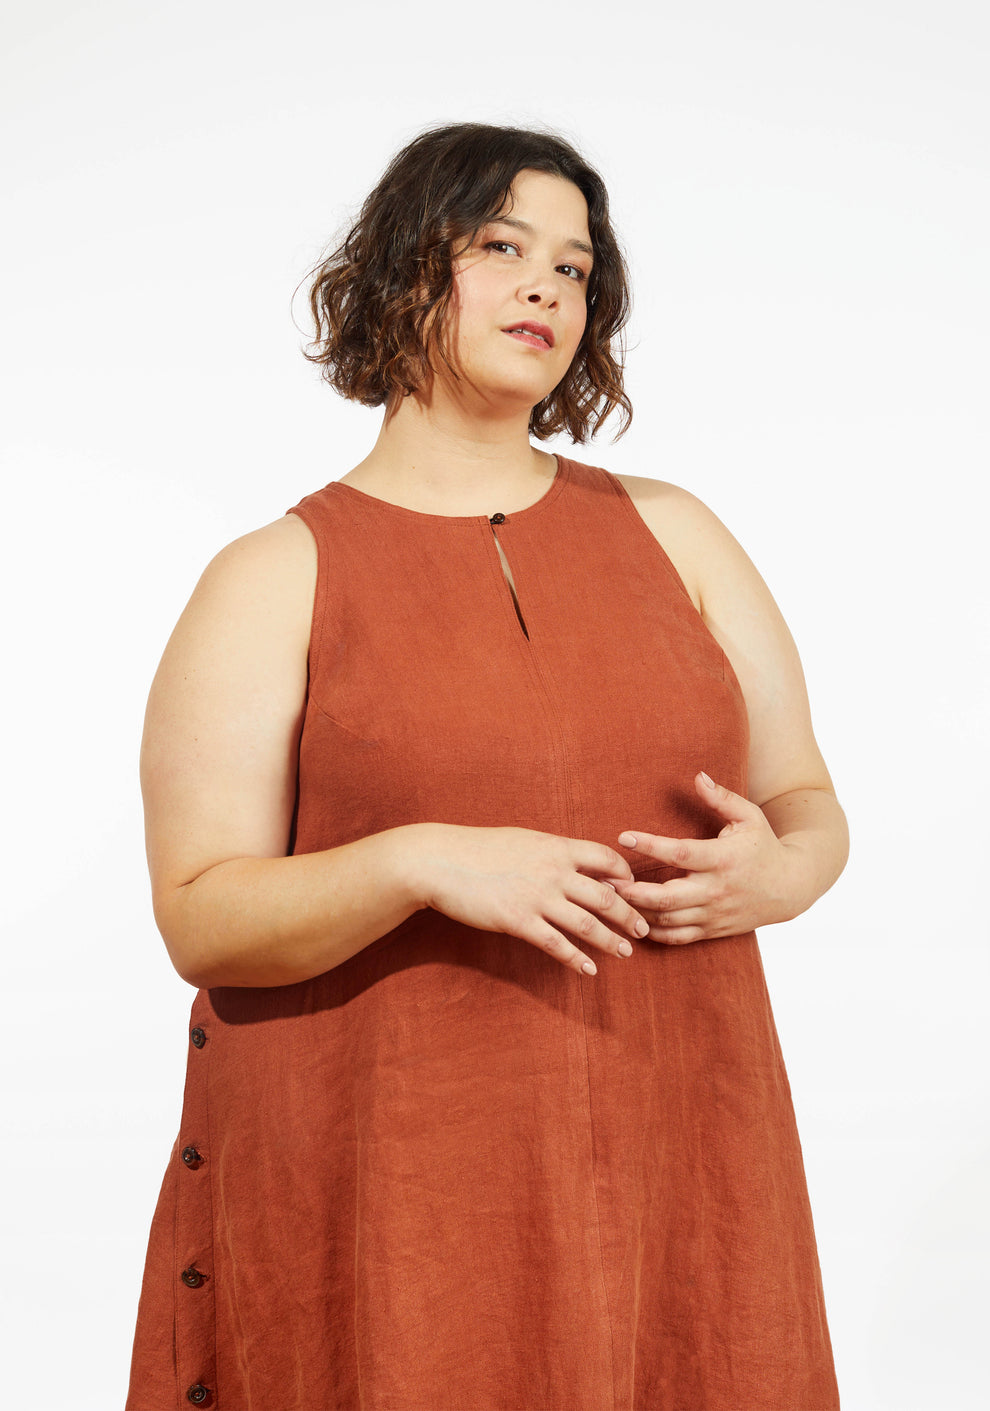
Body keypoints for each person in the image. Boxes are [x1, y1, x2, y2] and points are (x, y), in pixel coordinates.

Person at [126, 122, 848, 1411]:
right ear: (405, 271)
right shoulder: (274, 575)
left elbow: (806, 800)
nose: (544, 288)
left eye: (574, 270)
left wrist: (780, 875)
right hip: (398, 1176)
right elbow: (200, 916)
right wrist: (417, 862)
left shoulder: (676, 535)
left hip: (676, 1138)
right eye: (500, 247)